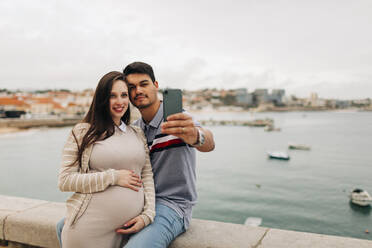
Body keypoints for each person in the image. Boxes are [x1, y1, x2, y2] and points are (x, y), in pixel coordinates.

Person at [56, 62, 215, 248]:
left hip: (171, 204)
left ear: (156, 86)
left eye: (144, 84)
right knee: (63, 226)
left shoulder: (177, 119)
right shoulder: (135, 130)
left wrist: (196, 137)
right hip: (142, 201)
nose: (138, 90)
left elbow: (209, 143)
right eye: (131, 87)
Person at [57, 71, 155, 248]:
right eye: (112, 96)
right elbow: (65, 181)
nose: (120, 102)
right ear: (102, 99)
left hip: (128, 232)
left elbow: (146, 176)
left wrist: (148, 215)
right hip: (88, 231)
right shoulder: (82, 132)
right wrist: (113, 177)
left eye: (124, 95)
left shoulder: (137, 133)